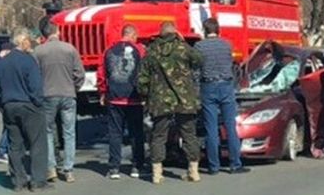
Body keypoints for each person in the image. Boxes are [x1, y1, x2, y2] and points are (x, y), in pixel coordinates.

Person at [137, 21, 204, 184]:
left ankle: (157, 173)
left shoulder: (151, 51)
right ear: (175, 32)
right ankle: (193, 171)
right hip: (184, 99)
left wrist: (145, 96)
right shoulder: (183, 48)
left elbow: (142, 78)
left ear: (160, 33)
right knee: (189, 134)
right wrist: (183, 42)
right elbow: (199, 61)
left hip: (160, 101)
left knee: (158, 136)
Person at [0, 28, 50, 191]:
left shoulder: (2, 62)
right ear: (23, 41)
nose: (30, 43)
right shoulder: (28, 61)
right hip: (28, 105)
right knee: (37, 143)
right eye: (28, 40)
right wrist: (38, 103)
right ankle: (38, 181)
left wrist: (2, 104)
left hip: (9, 105)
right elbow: (35, 86)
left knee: (14, 144)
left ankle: (18, 180)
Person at [197, 18, 249, 175]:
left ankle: (213, 166)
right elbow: (231, 64)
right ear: (218, 30)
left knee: (211, 127)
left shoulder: (199, 46)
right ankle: (235, 164)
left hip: (208, 86)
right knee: (230, 126)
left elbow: (196, 68)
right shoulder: (227, 45)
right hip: (226, 85)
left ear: (205, 30)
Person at [34, 22, 84, 183]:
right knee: (69, 132)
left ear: (44, 35)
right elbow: (79, 74)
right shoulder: (70, 49)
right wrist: (74, 88)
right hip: (68, 94)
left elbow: (33, 75)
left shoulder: (38, 51)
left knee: (48, 131)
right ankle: (68, 169)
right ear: (58, 32)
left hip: (47, 94)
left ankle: (51, 168)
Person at [98, 24, 147, 179]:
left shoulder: (109, 50)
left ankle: (114, 168)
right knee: (136, 133)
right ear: (133, 35)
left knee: (114, 133)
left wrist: (103, 92)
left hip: (114, 97)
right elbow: (145, 72)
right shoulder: (140, 50)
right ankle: (136, 167)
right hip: (134, 98)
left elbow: (102, 73)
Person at [0, 42, 14, 164]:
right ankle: (2, 151)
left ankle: (4, 149)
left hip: (1, 98)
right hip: (2, 99)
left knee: (8, 123)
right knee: (9, 124)